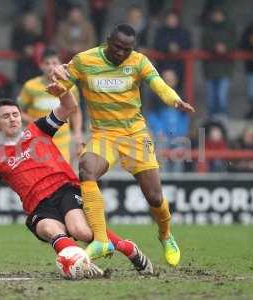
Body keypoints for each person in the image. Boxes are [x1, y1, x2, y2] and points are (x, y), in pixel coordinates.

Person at [0, 95, 154, 276]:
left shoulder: (38, 129)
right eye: (5, 116)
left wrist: (63, 91)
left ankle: (127, 248)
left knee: (81, 231)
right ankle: (81, 264)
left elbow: (69, 107)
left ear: (21, 116)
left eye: (15, 114)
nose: (12, 119)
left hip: (65, 190)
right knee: (50, 230)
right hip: (39, 207)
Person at [49, 24, 195, 266]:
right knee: (86, 169)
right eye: (117, 47)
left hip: (134, 135)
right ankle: (101, 239)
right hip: (103, 135)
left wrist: (174, 100)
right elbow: (65, 84)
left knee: (155, 197)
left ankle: (165, 234)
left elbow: (157, 83)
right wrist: (57, 86)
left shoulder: (138, 61)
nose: (121, 53)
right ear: (108, 41)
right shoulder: (85, 60)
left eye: (127, 49)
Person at [18, 48, 83, 163]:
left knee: (62, 178)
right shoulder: (30, 86)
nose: (50, 67)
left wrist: (77, 135)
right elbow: (17, 112)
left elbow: (76, 112)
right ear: (41, 65)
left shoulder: (70, 87)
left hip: (61, 143)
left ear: (61, 65)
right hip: (37, 142)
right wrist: (34, 121)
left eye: (54, 63)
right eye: (47, 63)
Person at [201, 7, 236, 118]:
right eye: (215, 14)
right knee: (211, 99)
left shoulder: (230, 28)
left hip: (225, 68)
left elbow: (235, 43)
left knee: (222, 97)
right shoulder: (207, 29)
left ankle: (222, 122)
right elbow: (203, 45)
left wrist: (226, 48)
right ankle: (212, 122)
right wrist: (214, 48)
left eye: (219, 14)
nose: (217, 16)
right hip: (210, 69)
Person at [153, 11, 192, 88]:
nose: (172, 20)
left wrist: (178, 47)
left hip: (179, 66)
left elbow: (188, 45)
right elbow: (156, 45)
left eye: (173, 18)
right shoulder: (160, 32)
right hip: (163, 65)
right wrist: (168, 47)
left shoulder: (183, 32)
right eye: (170, 18)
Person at [10, 12, 44, 86]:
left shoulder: (41, 34)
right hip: (23, 67)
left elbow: (44, 47)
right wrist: (24, 49)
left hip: (37, 66)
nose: (30, 23)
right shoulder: (18, 33)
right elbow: (14, 46)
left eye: (32, 21)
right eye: (28, 21)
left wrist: (34, 50)